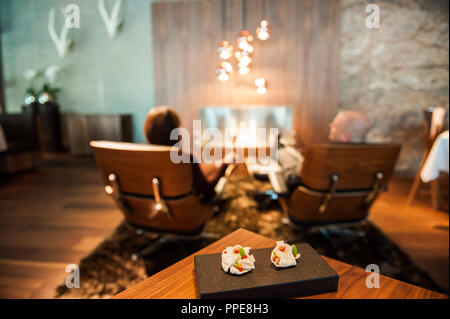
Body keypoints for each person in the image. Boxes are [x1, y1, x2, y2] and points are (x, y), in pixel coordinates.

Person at [271, 110, 372, 193]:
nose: (330, 125)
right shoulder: (370, 161)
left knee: (284, 154)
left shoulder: (328, 157)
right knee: (294, 154)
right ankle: (285, 148)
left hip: (301, 186)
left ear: (345, 137)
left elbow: (295, 181)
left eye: (335, 125)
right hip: (349, 207)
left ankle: (280, 148)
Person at [143, 106, 229, 198]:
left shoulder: (139, 156)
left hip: (147, 206)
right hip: (185, 210)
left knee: (210, 168)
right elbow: (206, 190)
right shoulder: (185, 159)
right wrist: (225, 165)